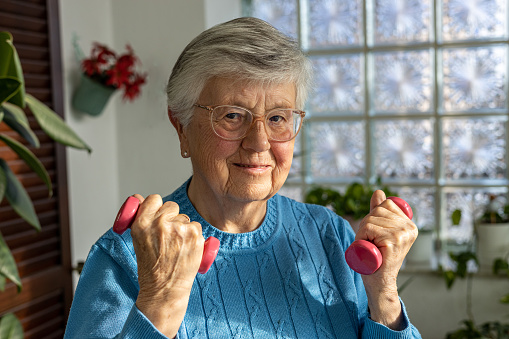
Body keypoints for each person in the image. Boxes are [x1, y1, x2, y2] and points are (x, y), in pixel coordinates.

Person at [64, 17, 422, 338]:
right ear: (182, 128)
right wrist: (159, 304)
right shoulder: (127, 257)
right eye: (233, 116)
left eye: (279, 118)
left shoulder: (329, 234)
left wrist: (384, 295)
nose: (259, 142)